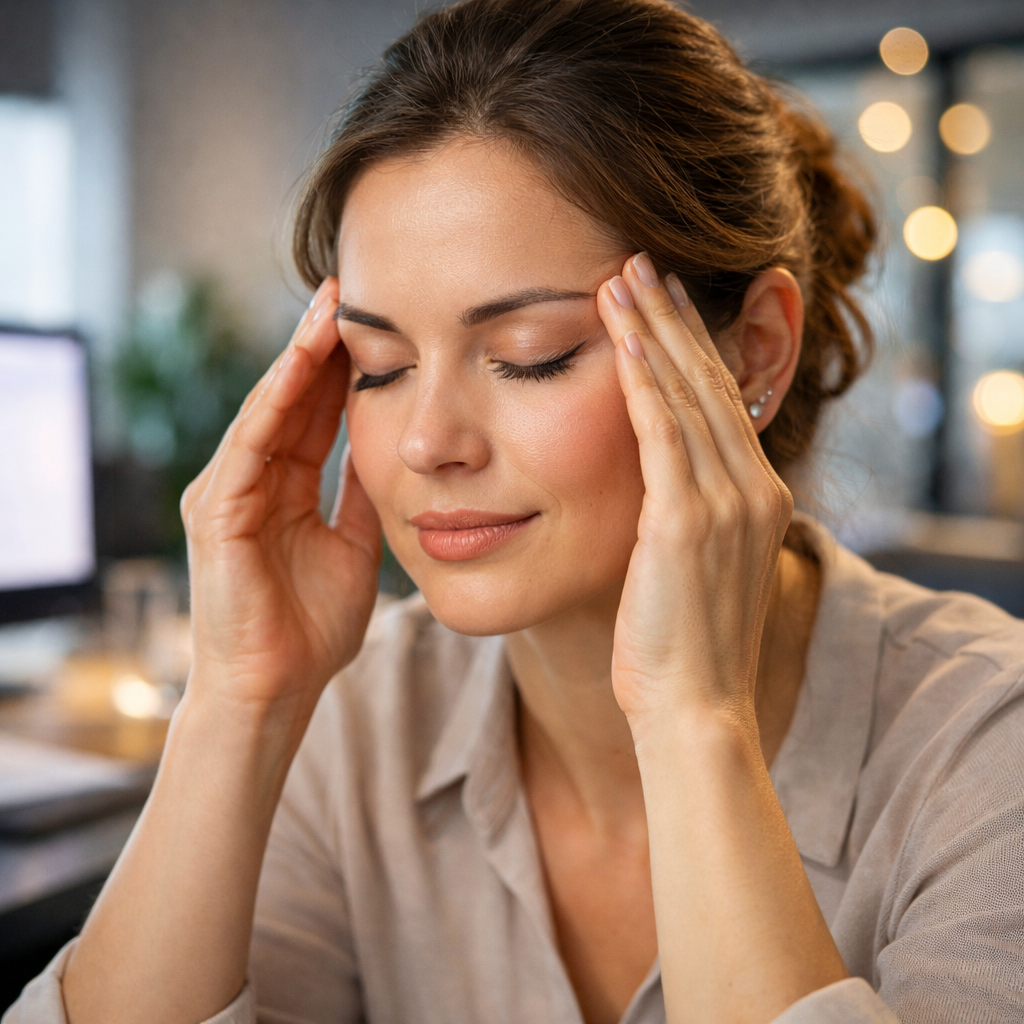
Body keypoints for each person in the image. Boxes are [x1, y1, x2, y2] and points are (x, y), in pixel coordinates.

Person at [7, 1, 1024, 1022]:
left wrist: (690, 721)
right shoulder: (362, 722)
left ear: (751, 350)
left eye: (529, 354)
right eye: (381, 365)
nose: (426, 441)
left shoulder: (985, 754)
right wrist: (236, 702)